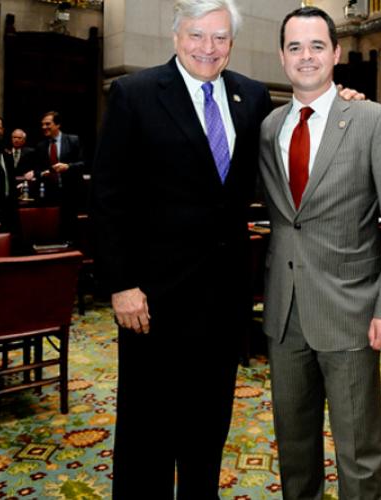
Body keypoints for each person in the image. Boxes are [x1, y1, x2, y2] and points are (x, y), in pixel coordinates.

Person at [92, 1, 274, 497]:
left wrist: (342, 100)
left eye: (219, 38)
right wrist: (122, 284)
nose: (208, 48)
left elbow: (293, 136)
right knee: (146, 431)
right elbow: (109, 198)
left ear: (231, 43)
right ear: (176, 37)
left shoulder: (251, 98)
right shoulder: (135, 93)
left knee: (207, 424)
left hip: (222, 299)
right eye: (197, 35)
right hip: (151, 299)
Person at [258, 7, 381, 499]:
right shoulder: (268, 128)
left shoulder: (372, 120)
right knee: (294, 450)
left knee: (359, 454)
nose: (306, 57)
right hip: (284, 314)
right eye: (295, 47)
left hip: (351, 311)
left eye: (316, 46)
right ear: (282, 56)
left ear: (337, 53)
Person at [33, 111, 85, 241]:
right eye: (42, 124)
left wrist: (68, 167)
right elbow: (37, 170)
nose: (44, 127)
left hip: (71, 192)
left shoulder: (73, 140)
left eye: (48, 124)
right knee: (52, 229)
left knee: (71, 230)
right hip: (50, 194)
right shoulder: (41, 146)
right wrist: (41, 173)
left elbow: (84, 163)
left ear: (58, 125)